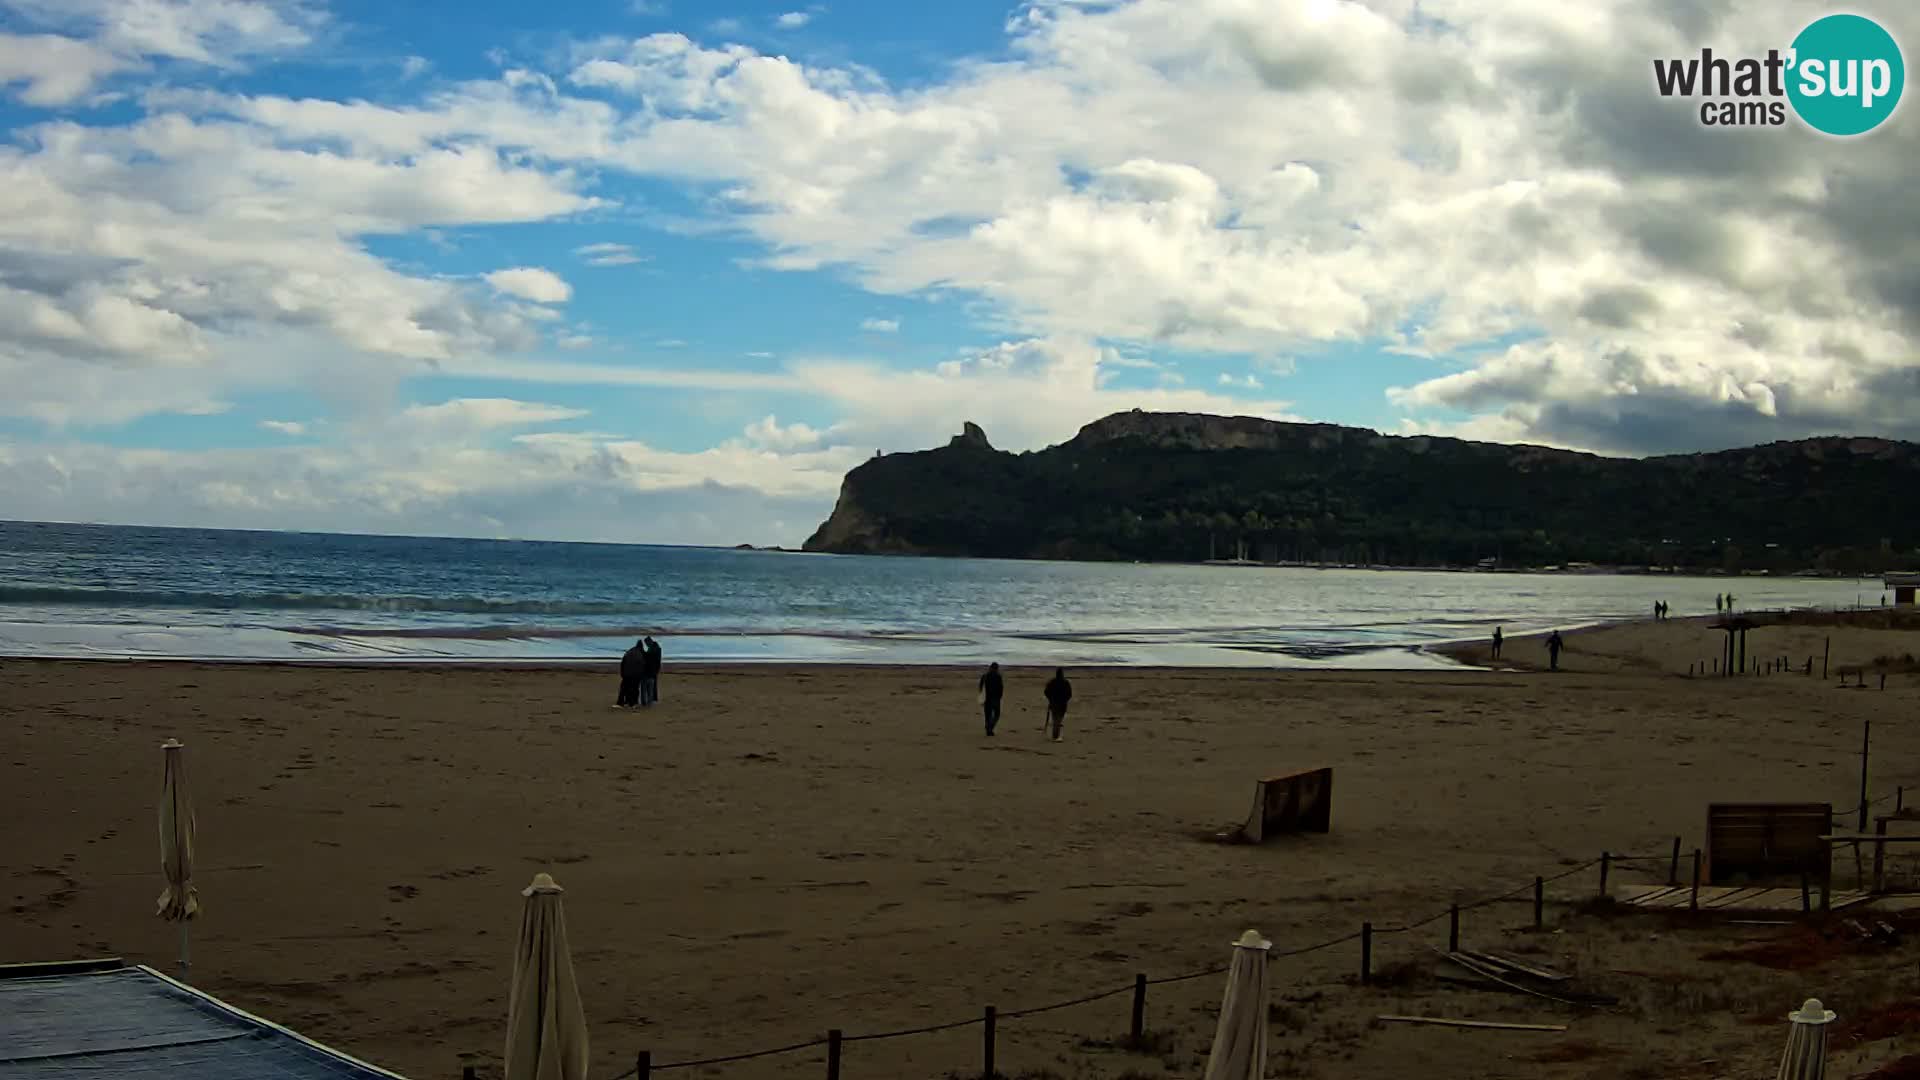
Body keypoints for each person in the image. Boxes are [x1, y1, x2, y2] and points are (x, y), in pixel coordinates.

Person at [1043, 667, 1073, 742]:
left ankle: (1055, 734)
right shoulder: (1065, 682)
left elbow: (1046, 692)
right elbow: (1069, 694)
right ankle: (1055, 736)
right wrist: (1065, 700)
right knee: (1058, 720)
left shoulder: (1052, 682)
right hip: (1061, 704)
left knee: (1056, 719)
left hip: (1054, 703)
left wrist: (1050, 699)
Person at [617, 638, 645, 708]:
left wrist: (622, 673)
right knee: (634, 689)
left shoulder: (629, 651)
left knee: (624, 688)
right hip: (635, 675)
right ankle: (632, 703)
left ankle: (621, 702)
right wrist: (641, 675)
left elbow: (622, 663)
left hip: (626, 674)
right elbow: (641, 665)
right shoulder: (640, 654)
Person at [978, 662, 1004, 736]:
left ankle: (988, 728)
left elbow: (980, 687)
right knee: (997, 714)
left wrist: (981, 695)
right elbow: (1001, 688)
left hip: (987, 698)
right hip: (995, 698)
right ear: (997, 669)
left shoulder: (985, 676)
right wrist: (1000, 696)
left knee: (987, 715)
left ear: (990, 668)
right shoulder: (998, 676)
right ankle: (990, 727)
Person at [640, 636, 662, 706]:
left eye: (646, 643)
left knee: (649, 685)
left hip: (652, 669)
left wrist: (643, 653)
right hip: (654, 669)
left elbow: (650, 657)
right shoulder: (655, 648)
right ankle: (651, 700)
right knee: (652, 685)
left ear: (649, 642)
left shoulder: (655, 649)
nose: (646, 645)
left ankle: (649, 700)